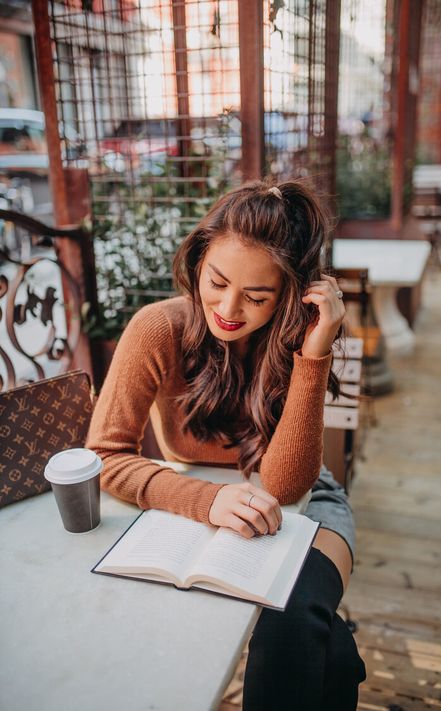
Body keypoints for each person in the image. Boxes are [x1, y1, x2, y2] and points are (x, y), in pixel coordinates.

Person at [86, 179, 366, 709]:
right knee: (321, 654)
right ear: (198, 261)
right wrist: (208, 501)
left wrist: (313, 353)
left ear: (289, 293)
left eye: (258, 296)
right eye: (216, 281)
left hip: (310, 505)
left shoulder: (294, 341)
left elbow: (286, 486)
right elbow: (105, 456)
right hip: (187, 508)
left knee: (296, 625)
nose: (229, 308)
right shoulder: (157, 330)